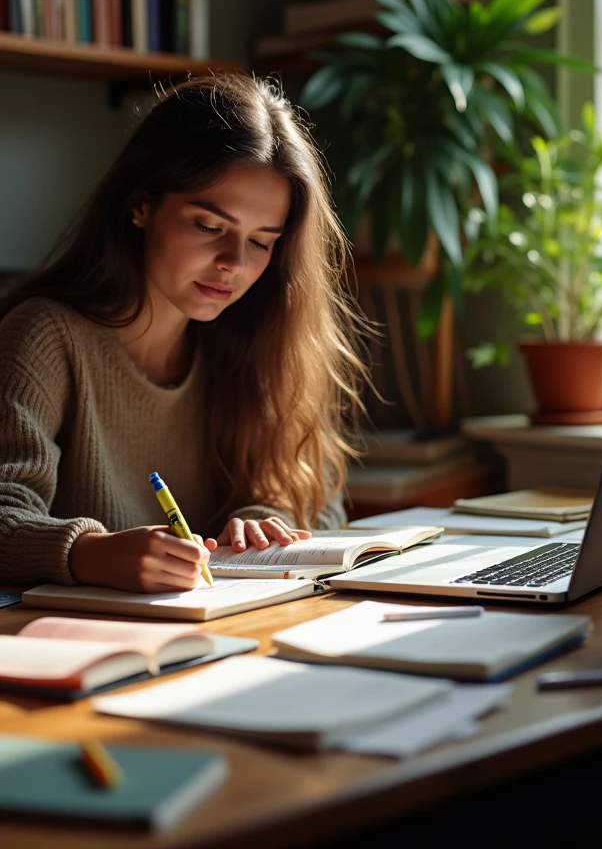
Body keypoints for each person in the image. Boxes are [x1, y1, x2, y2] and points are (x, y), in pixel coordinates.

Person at [0, 74, 369, 592]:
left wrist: (262, 519)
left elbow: (320, 497)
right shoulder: (46, 338)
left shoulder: (252, 340)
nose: (234, 265)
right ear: (141, 205)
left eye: (261, 242)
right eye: (209, 227)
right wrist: (90, 553)